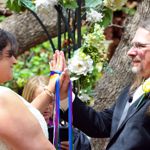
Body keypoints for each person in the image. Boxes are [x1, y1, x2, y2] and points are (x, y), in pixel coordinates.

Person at [50, 18, 150, 150]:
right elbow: (101, 124)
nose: (130, 52)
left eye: (140, 46)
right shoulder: (132, 90)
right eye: (132, 45)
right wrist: (65, 97)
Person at [0, 28, 66, 149]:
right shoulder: (3, 98)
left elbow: (24, 119)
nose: (14, 61)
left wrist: (51, 86)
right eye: (9, 54)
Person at [22, 75, 92, 150]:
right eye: (43, 101)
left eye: (51, 101)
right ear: (28, 101)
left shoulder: (70, 132)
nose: (47, 106)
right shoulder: (20, 131)